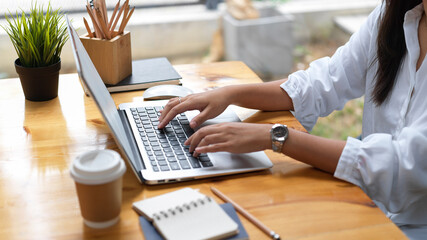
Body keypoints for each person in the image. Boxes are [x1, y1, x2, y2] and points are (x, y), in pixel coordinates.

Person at [158, 0, 427, 238]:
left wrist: (275, 137)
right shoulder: (393, 13)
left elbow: (403, 167)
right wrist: (228, 93)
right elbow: (323, 82)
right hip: (365, 203)